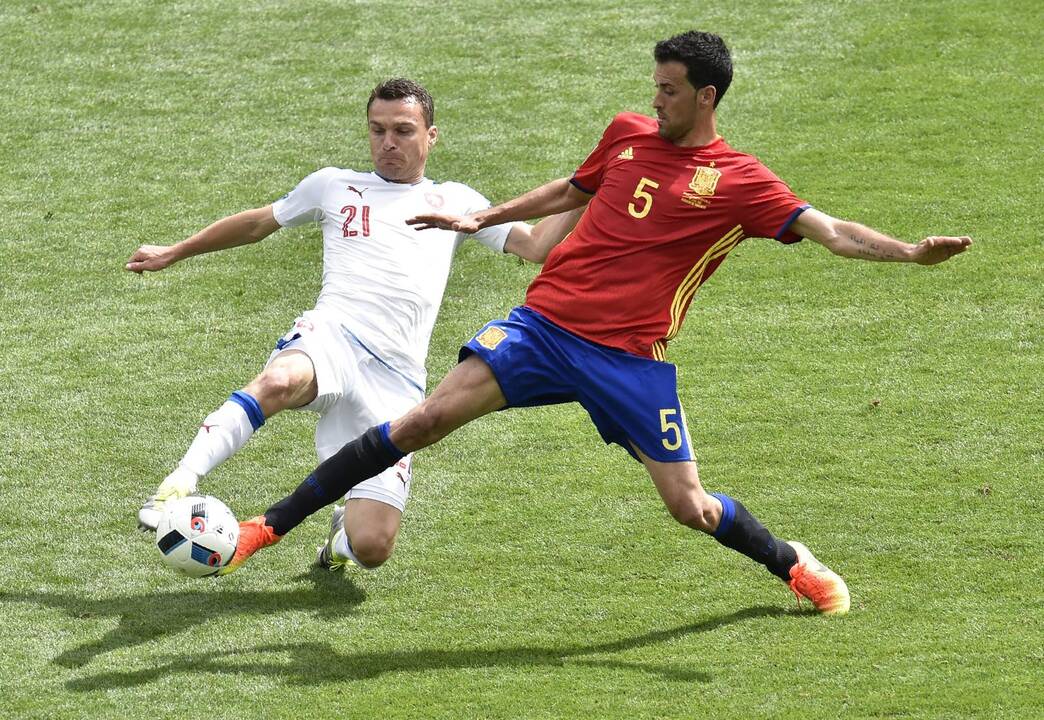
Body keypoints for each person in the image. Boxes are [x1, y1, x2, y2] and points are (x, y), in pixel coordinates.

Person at [217, 32, 971, 614]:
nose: (658, 101)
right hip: (543, 330)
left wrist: (909, 253)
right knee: (422, 422)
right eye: (655, 87)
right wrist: (482, 216)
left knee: (691, 507)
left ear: (707, 96)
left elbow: (832, 231)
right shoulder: (627, 134)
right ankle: (266, 528)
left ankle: (790, 563)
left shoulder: (743, 183)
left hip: (628, 364)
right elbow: (565, 190)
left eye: (671, 91)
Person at [127, 78, 570, 571]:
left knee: (373, 547)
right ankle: (177, 485)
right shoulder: (334, 185)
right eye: (377, 130)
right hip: (333, 336)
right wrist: (177, 249)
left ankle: (340, 540)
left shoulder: (457, 201)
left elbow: (535, 246)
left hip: (396, 380)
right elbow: (258, 222)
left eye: (403, 130)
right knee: (279, 380)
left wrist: (590, 187)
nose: (388, 143)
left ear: (432, 135)